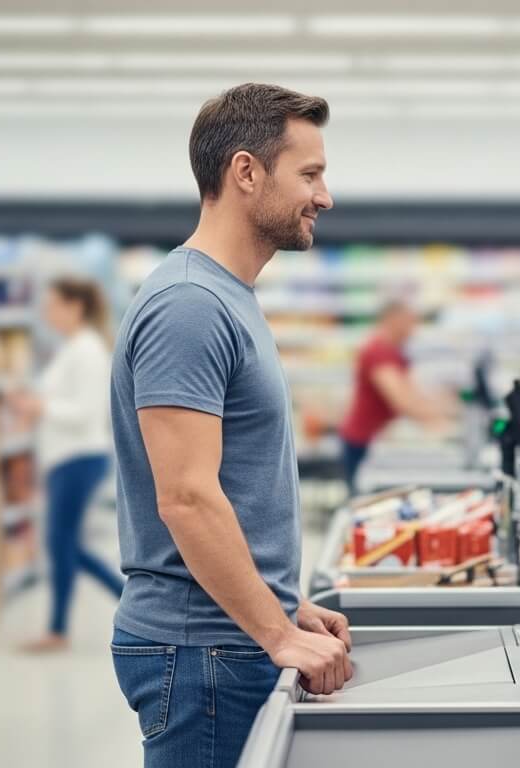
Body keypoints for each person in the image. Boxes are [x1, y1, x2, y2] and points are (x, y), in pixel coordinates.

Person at [108, 83, 352, 768]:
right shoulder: (190, 304)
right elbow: (185, 497)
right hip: (202, 652)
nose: (325, 196)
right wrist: (274, 632)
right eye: (310, 174)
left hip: (221, 635)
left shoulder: (226, 296)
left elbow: (231, 485)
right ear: (246, 172)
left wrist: (283, 600)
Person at [16, 278, 124, 653]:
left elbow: (85, 412)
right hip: (66, 458)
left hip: (78, 457)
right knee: (64, 543)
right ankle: (66, 625)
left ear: (75, 306)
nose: (47, 313)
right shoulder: (73, 348)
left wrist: (40, 407)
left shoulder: (88, 350)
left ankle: (67, 626)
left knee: (62, 543)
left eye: (53, 305)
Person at [338, 300, 452, 495]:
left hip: (372, 440)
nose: (413, 329)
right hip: (363, 443)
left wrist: (439, 409)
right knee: (361, 501)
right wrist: (441, 420)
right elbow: (403, 401)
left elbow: (412, 394)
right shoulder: (379, 352)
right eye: (409, 322)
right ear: (392, 320)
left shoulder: (392, 352)